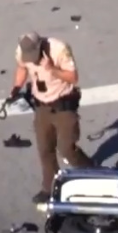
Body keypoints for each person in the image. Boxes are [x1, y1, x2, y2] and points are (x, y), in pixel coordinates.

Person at [12, 32, 94, 204]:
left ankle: (92, 172)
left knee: (66, 149)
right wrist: (16, 88)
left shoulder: (59, 49)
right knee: (45, 149)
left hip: (63, 105)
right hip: (41, 106)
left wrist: (52, 69)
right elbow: (21, 67)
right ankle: (49, 188)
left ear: (40, 45)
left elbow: (73, 77)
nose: (32, 60)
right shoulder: (22, 52)